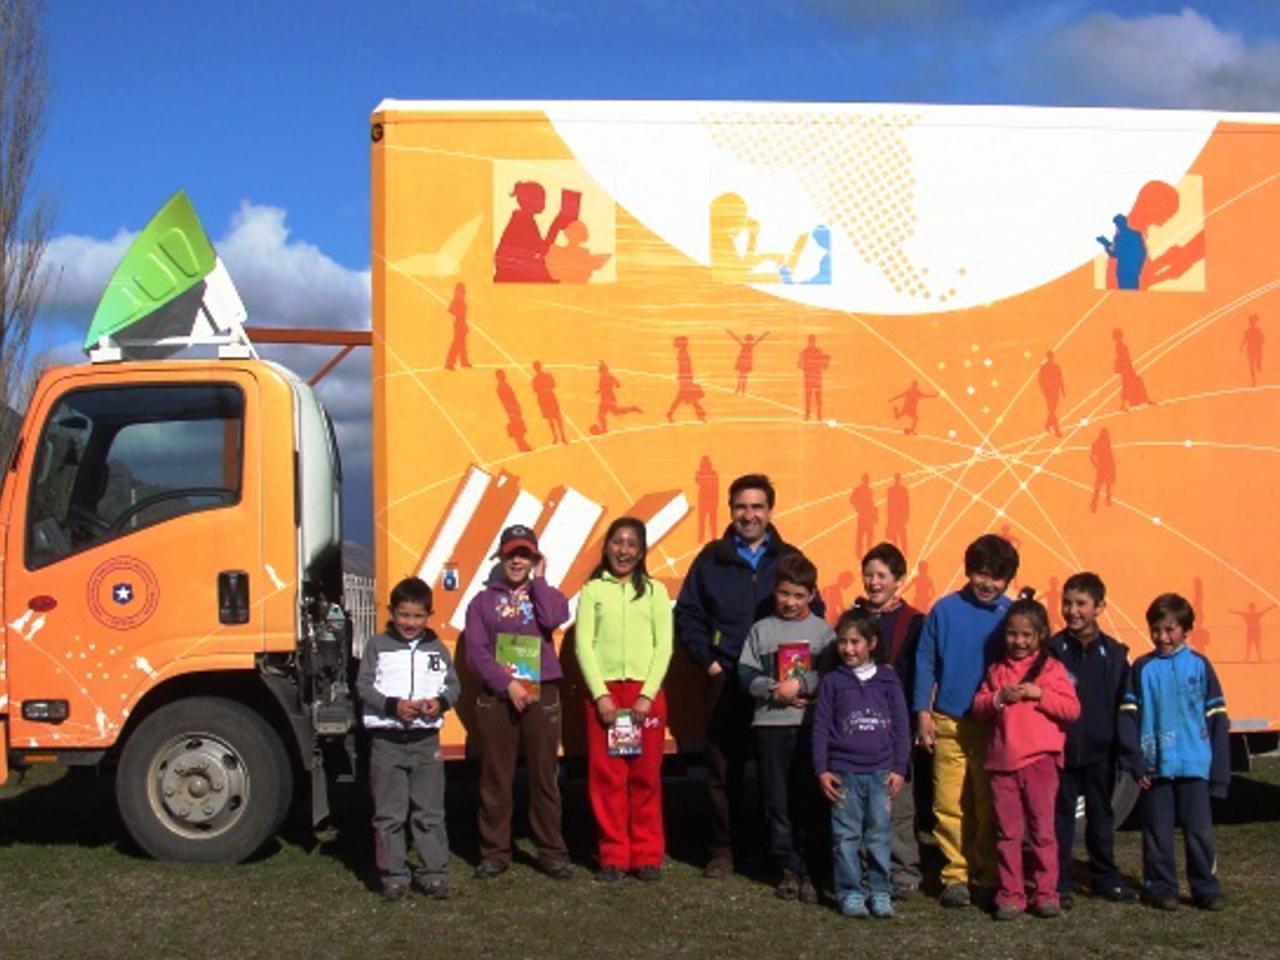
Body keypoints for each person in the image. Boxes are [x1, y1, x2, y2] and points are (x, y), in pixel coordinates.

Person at [675, 473, 825, 878]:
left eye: (757, 507)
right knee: (725, 770)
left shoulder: (788, 557)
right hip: (726, 678)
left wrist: (800, 677)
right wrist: (708, 660)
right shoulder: (711, 559)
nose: (749, 514)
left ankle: (775, 851)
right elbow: (687, 613)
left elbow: (817, 612)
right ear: (730, 510)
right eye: (741, 506)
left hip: (780, 686)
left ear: (770, 511)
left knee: (780, 771)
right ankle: (724, 849)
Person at [913, 533, 1020, 908]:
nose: (987, 583)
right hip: (948, 722)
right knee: (948, 803)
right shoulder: (944, 611)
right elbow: (925, 663)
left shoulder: (1012, 616)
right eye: (980, 573)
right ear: (968, 570)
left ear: (1008, 580)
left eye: (996, 577)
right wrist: (923, 714)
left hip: (994, 726)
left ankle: (988, 875)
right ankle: (955, 876)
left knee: (989, 805)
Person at [464, 524, 573, 880]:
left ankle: (552, 852)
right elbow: (475, 652)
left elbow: (554, 619)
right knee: (496, 775)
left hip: (543, 693)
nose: (517, 560)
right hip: (499, 695)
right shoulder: (482, 602)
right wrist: (506, 683)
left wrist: (540, 579)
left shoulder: (548, 594)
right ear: (501, 556)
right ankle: (495, 852)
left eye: (525, 554)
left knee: (545, 774)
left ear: (535, 558)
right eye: (512, 554)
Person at [575, 518, 673, 883]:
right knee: (608, 778)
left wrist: (647, 695)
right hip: (606, 696)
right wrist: (600, 695)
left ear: (642, 551)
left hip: (645, 696)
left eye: (632, 544)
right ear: (606, 547)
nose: (624, 550)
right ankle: (613, 855)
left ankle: (647, 855)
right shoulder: (592, 591)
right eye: (617, 542)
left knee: (645, 777)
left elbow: (664, 645)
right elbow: (583, 644)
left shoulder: (655, 591)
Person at [972, 590, 1080, 920]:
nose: (1018, 641)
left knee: (1042, 832)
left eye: (1026, 635)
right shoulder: (997, 671)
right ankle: (1011, 894)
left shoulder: (1052, 669)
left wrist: (1040, 694)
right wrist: (998, 698)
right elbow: (978, 708)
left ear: (1041, 635)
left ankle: (1046, 892)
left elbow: (1072, 709)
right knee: (1007, 833)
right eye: (1012, 634)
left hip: (1041, 763)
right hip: (1002, 765)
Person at [1120, 593, 1230, 912]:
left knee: (1198, 833)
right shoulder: (1142, 668)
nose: (1162, 637)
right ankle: (1161, 887)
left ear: (1186, 630)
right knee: (1157, 833)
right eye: (1156, 630)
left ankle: (1205, 888)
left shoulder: (1200, 666)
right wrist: (1136, 763)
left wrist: (1218, 773)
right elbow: (1128, 717)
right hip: (1156, 768)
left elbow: (1217, 719)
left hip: (1195, 766)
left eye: (1170, 629)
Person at [737, 552, 835, 904]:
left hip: (809, 727)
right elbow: (745, 673)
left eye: (798, 595)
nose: (790, 602)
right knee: (776, 799)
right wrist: (773, 691)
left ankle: (811, 868)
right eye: (784, 594)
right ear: (774, 592)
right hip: (770, 725)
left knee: (808, 797)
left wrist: (803, 686)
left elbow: (833, 674)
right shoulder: (761, 630)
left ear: (812, 595)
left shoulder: (824, 633)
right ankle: (787, 867)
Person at [357, 576, 460, 901]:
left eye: (417, 616)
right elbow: (363, 686)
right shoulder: (377, 646)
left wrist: (438, 704)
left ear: (429, 615)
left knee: (429, 812)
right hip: (387, 742)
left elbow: (453, 686)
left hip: (425, 741)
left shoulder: (437, 648)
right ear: (392, 612)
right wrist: (392, 706)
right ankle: (394, 876)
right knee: (389, 813)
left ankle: (433, 874)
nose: (410, 623)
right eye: (403, 615)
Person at [812, 604, 910, 919]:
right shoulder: (832, 682)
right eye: (843, 641)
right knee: (845, 837)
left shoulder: (888, 681)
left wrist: (899, 769)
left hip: (881, 773)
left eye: (855, 642)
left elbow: (901, 727)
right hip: (844, 774)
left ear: (872, 643)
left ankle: (881, 892)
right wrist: (822, 769)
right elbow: (821, 728)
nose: (848, 649)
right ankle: (850, 892)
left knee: (880, 836)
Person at [1048, 572, 1137, 908]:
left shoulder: (1114, 654)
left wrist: (1126, 749)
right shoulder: (1053, 650)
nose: (1072, 611)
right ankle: (1057, 882)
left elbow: (1124, 705)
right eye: (1067, 603)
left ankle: (1105, 878)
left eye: (1081, 604)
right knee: (1062, 820)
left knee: (1101, 818)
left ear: (1100, 607)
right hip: (1063, 750)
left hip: (1103, 752)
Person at [860, 541, 925, 898]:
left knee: (898, 802)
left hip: (897, 725)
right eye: (868, 575)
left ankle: (903, 870)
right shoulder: (854, 618)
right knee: (863, 802)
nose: (873, 582)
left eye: (881, 575)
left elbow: (922, 672)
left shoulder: (914, 622)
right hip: (859, 725)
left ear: (898, 580)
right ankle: (868, 870)